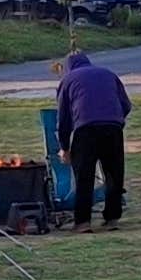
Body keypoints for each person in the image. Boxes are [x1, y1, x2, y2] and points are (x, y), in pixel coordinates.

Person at [54, 45, 132, 227]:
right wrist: (115, 120)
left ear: (68, 67)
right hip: (113, 128)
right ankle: (112, 218)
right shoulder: (108, 74)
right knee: (113, 174)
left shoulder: (67, 80)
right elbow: (126, 105)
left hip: (85, 129)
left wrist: (64, 148)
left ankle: (83, 223)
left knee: (84, 176)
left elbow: (63, 119)